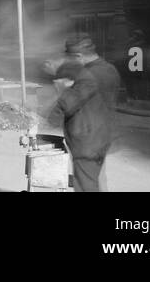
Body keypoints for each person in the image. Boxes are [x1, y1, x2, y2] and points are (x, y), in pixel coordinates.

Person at [54, 36, 121, 193]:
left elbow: (68, 104)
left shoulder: (86, 75)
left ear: (78, 56)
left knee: (85, 185)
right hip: (103, 135)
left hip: (87, 138)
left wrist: (63, 89)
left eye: (70, 59)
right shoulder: (110, 69)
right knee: (97, 179)